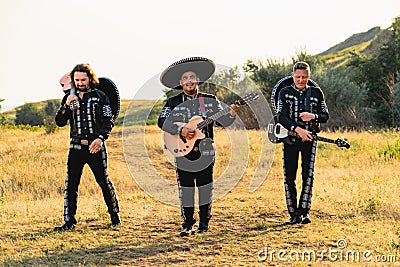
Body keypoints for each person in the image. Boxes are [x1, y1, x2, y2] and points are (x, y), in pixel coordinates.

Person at [158, 57, 240, 236]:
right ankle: (188, 224)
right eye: (185, 78)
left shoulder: (210, 100)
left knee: (205, 187)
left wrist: (232, 113)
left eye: (192, 77)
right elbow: (162, 121)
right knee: (186, 188)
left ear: (198, 80)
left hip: (206, 150)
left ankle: (204, 223)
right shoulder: (172, 102)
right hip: (182, 151)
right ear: (181, 82)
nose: (189, 81)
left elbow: (223, 121)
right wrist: (180, 129)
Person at [54, 63, 120, 230]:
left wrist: (100, 138)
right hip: (76, 147)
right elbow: (60, 122)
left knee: (103, 181)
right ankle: (69, 221)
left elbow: (108, 120)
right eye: (77, 80)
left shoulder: (100, 96)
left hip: (95, 146)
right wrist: (66, 106)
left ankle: (115, 216)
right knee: (71, 184)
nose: (80, 83)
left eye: (83, 79)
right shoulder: (69, 98)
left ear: (90, 78)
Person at [277, 61, 329, 225]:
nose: (301, 80)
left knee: (308, 175)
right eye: (298, 76)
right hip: (290, 139)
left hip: (310, 139)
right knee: (289, 176)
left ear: (309, 76)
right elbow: (281, 117)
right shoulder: (284, 92)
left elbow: (325, 115)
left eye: (304, 77)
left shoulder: (316, 93)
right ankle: (293, 214)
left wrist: (312, 116)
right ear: (293, 75)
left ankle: (304, 212)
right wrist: (297, 129)